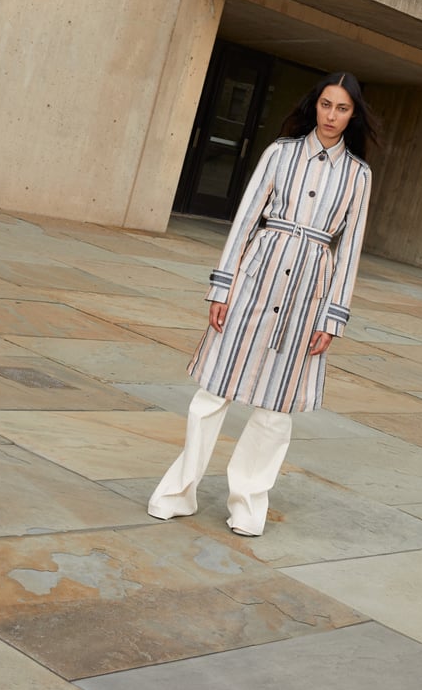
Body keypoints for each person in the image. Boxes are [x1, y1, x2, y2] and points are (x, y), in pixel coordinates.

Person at [148, 71, 375, 536]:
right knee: (212, 393)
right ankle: (178, 491)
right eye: (326, 105)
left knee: (275, 410)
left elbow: (350, 249)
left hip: (307, 294)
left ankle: (249, 503)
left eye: (342, 108)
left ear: (353, 116)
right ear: (315, 105)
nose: (331, 116)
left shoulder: (358, 175)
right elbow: (246, 220)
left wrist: (333, 316)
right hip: (256, 279)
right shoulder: (279, 153)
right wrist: (222, 287)